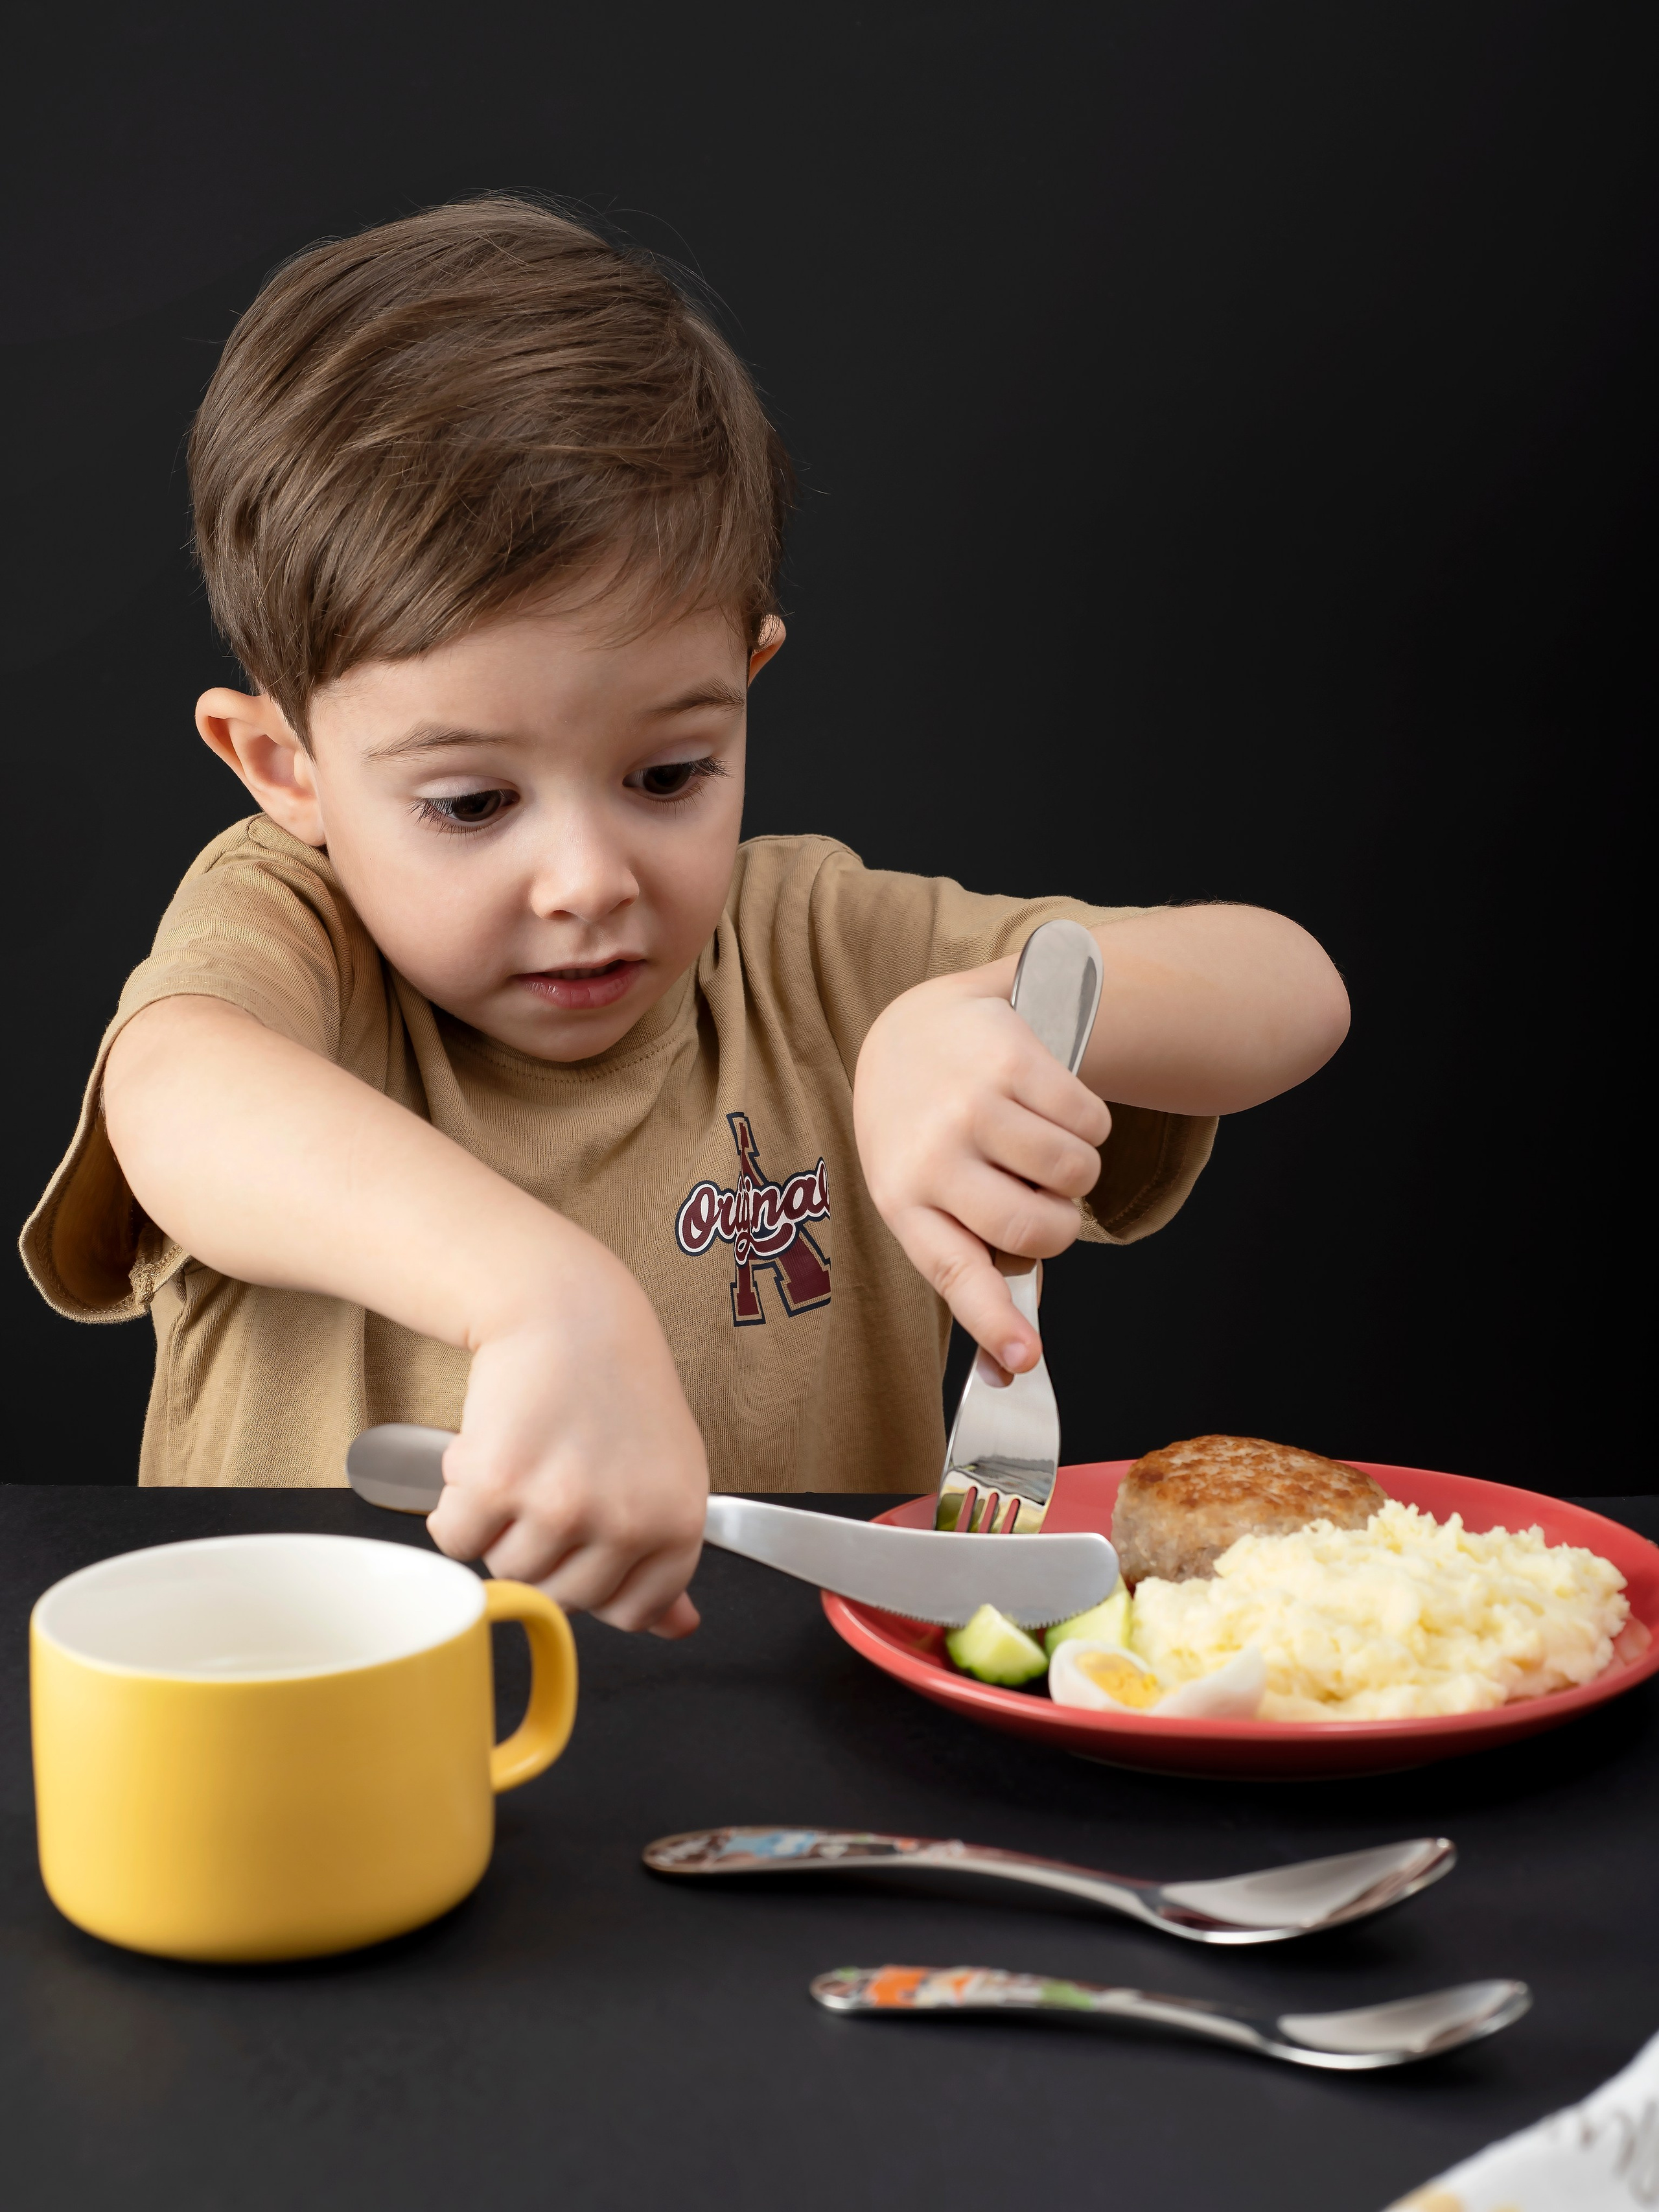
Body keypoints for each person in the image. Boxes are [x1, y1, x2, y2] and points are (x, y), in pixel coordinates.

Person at [20, 198, 1349, 1642]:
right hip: (328, 1766)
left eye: (666, 775)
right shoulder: (293, 932)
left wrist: (974, 1017)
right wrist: (543, 1298)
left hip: (813, 1762)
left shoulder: (810, 952)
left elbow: (1290, 986)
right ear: (285, 769)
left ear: (745, 681)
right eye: (470, 804)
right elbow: (179, 1099)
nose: (588, 877)